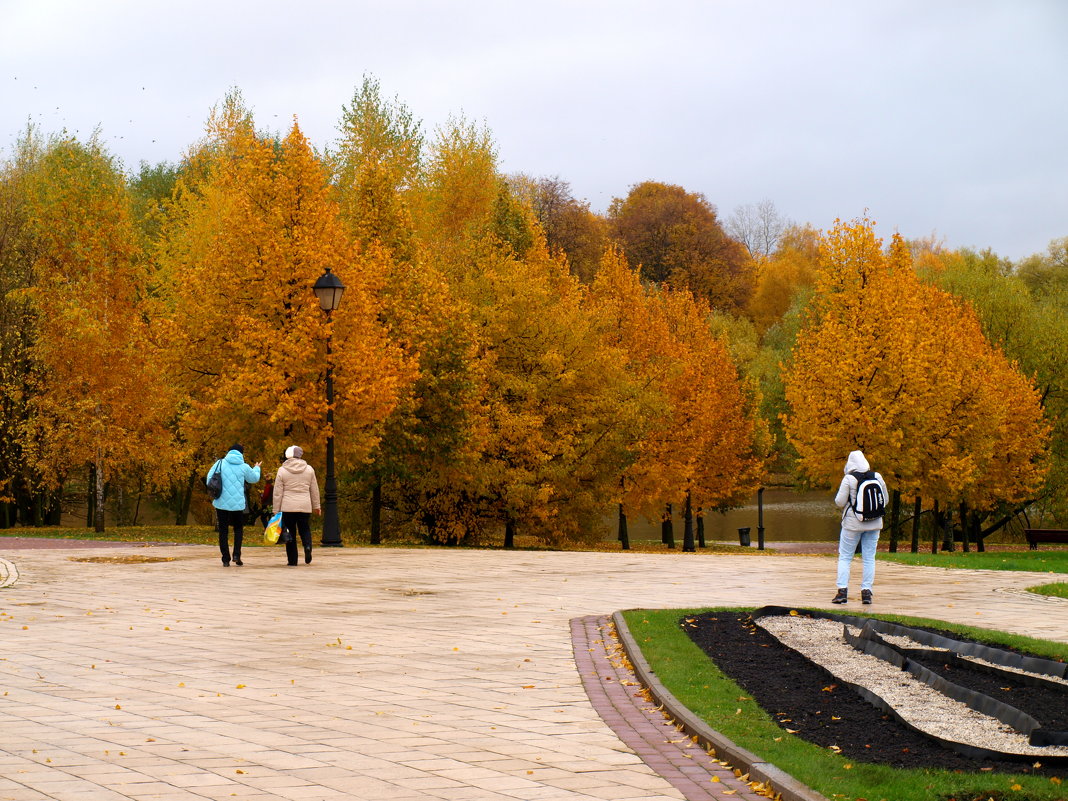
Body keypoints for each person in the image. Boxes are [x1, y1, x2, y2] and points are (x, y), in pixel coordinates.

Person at [832, 449, 888, 605]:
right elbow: (885, 500)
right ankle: (867, 593)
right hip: (875, 523)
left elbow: (839, 502)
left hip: (852, 524)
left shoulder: (849, 479)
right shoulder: (877, 476)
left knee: (845, 557)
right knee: (869, 558)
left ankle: (842, 592)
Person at [206, 444, 262, 566]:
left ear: (229, 452)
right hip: (237, 504)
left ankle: (225, 559)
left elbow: (209, 478)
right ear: (241, 454)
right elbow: (254, 478)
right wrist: (257, 467)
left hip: (221, 502)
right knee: (238, 529)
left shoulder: (220, 463)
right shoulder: (244, 467)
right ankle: (236, 555)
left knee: (223, 530)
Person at [272, 445, 321, 566]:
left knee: (290, 533)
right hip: (305, 505)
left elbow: (278, 493)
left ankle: (292, 560)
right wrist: (317, 506)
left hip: (288, 506)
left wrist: (275, 510)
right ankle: (308, 546)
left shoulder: (282, 470)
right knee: (305, 528)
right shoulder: (309, 469)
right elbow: (314, 489)